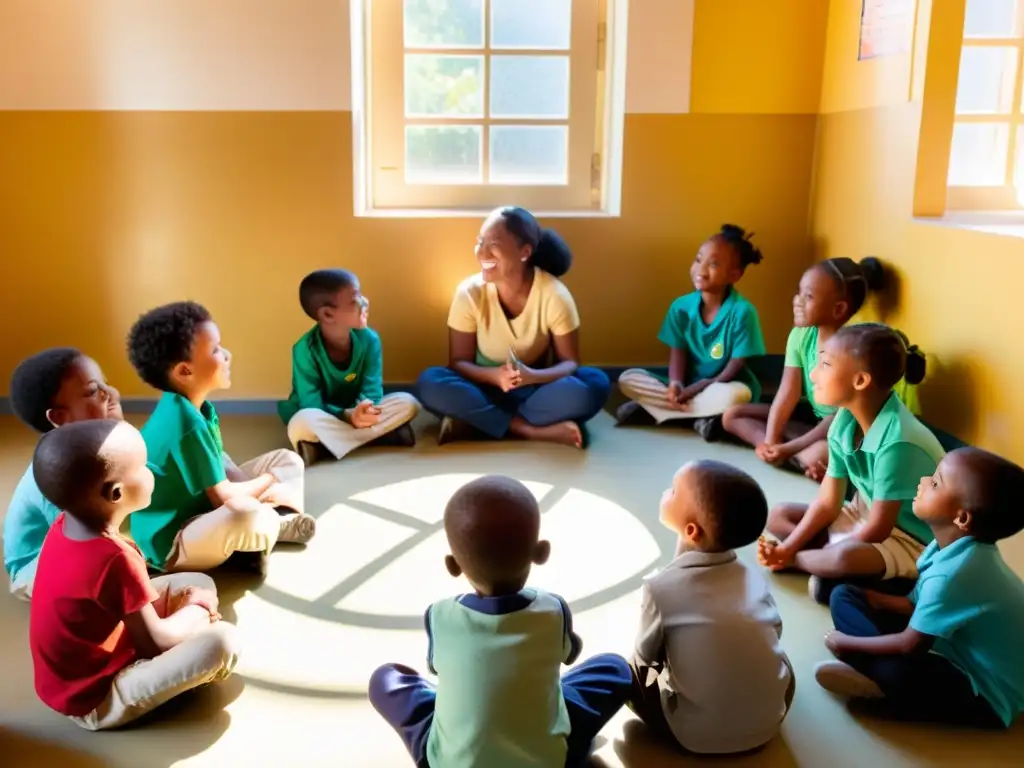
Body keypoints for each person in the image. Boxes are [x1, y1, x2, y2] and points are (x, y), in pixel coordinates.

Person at [368, 475, 633, 767]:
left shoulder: (439, 615)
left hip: (447, 762)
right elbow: (570, 654)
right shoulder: (554, 610)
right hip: (552, 761)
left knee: (386, 679)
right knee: (615, 668)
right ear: (541, 552)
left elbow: (435, 666)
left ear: (453, 565)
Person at [29, 419, 239, 730]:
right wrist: (198, 610)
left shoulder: (64, 525)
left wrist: (194, 606)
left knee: (198, 583)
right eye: (142, 467)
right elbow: (154, 644)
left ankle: (189, 632)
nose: (150, 470)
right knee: (222, 641)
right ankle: (177, 669)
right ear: (115, 493)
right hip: (95, 698)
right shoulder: (114, 559)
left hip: (77, 673)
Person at [816, 448, 1024, 729]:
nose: (923, 481)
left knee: (898, 670)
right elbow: (915, 604)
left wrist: (844, 641)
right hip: (951, 647)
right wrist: (871, 597)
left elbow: (909, 644)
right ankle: (869, 664)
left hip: (987, 695)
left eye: (936, 483)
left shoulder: (957, 574)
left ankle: (876, 680)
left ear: (961, 519)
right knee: (845, 593)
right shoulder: (945, 548)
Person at [759, 323, 946, 605]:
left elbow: (879, 529)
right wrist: (787, 545)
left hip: (910, 539)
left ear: (860, 381)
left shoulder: (898, 441)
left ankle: (818, 564)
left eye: (825, 365)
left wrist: (790, 556)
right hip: (862, 513)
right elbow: (827, 502)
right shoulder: (844, 421)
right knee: (779, 516)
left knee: (844, 556)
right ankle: (830, 566)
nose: (813, 374)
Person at [127, 301, 315, 576]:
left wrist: (259, 483)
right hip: (174, 542)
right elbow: (223, 497)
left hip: (199, 508)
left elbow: (219, 463)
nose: (226, 354)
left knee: (288, 459)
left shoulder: (191, 406)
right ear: (184, 371)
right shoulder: (184, 423)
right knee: (244, 510)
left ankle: (274, 523)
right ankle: (266, 529)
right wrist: (270, 481)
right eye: (215, 350)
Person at [630, 461, 793, 755]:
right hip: (768, 727)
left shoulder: (660, 588)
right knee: (779, 662)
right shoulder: (753, 577)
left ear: (691, 531)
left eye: (674, 491)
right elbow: (775, 631)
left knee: (624, 671)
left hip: (693, 739)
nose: (666, 492)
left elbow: (645, 661)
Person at [417, 207, 610, 449]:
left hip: (534, 391)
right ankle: (524, 429)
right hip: (482, 389)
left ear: (524, 252)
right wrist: (494, 376)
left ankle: (478, 424)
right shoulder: (468, 293)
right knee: (431, 382)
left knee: (595, 383)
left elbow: (570, 363)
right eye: (480, 243)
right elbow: (458, 362)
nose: (482, 252)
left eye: (494, 244)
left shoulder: (554, 295)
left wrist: (531, 376)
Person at [617, 224, 766, 441]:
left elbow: (737, 364)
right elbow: (678, 351)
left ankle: (668, 413)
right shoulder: (681, 307)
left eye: (713, 264)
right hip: (689, 385)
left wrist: (705, 384)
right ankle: (698, 417)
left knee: (736, 396)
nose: (701, 270)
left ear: (735, 275)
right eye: (698, 260)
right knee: (627, 379)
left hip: (722, 384)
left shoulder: (743, 311)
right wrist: (675, 384)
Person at [4, 349, 123, 600]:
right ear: (60, 417)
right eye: (93, 391)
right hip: (33, 568)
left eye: (106, 383)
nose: (110, 394)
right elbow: (81, 537)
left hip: (72, 539)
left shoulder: (89, 447)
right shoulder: (57, 472)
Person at [278, 269, 420, 466]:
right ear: (328, 314)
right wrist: (346, 415)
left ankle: (327, 445)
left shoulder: (369, 339)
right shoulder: (304, 350)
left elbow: (372, 390)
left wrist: (363, 412)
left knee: (408, 402)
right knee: (301, 423)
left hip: (359, 412)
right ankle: (376, 436)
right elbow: (311, 404)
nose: (365, 303)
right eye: (355, 300)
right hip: (324, 414)